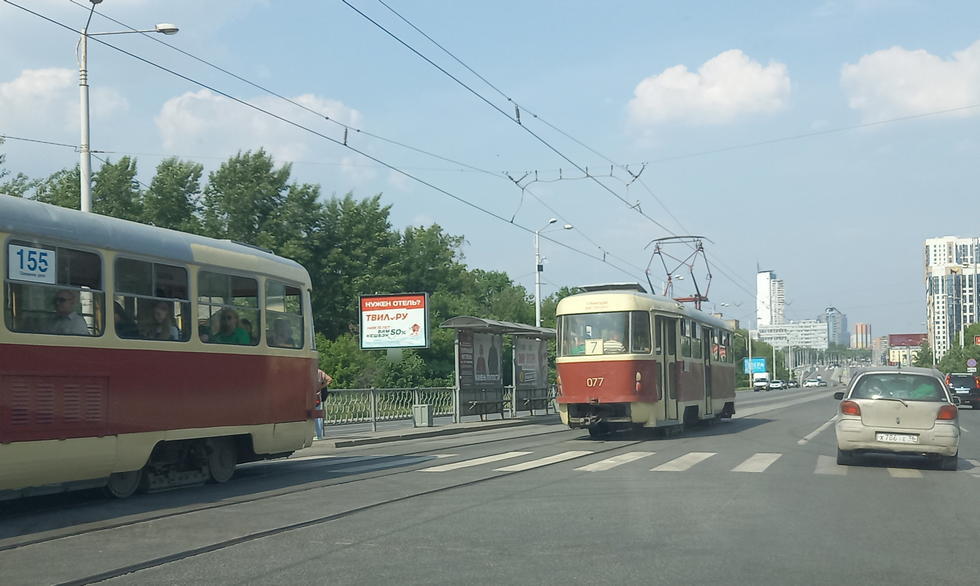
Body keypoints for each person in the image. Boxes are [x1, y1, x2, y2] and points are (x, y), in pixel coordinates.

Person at [313, 369, 333, 440]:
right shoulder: (319, 372)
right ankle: (319, 435)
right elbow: (330, 380)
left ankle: (318, 435)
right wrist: (321, 387)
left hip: (309, 396)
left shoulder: (307, 371)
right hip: (317, 396)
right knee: (318, 416)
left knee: (312, 416)